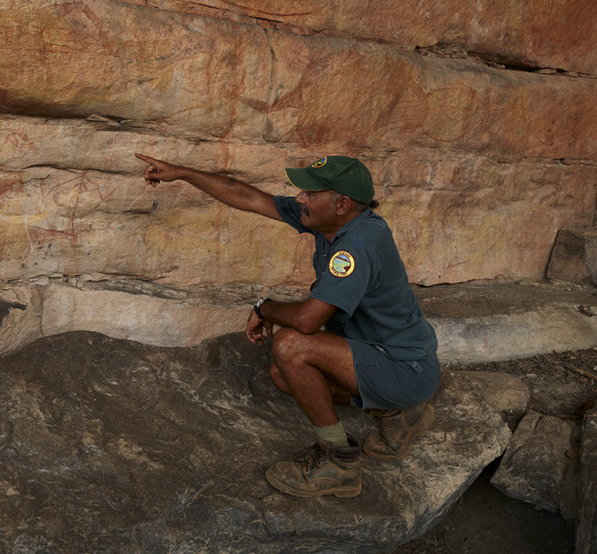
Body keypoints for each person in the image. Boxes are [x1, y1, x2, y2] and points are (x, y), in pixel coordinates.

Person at [135, 152, 439, 498]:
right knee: (283, 375)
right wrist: (183, 173)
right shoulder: (333, 221)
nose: (300, 199)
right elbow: (249, 197)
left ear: (341, 203)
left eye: (310, 193)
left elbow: (308, 321)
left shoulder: (356, 246)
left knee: (291, 346)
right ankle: (397, 412)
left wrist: (265, 309)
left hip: (405, 368)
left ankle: (338, 462)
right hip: (386, 358)